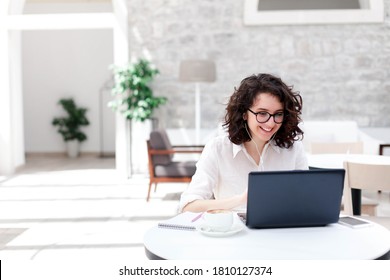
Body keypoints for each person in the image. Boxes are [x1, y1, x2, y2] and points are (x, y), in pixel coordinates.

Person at [179, 73, 308, 213]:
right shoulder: (218, 149)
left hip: (280, 232)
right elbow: (188, 206)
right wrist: (241, 200)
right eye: (262, 113)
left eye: (278, 114)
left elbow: (306, 200)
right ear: (244, 113)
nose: (271, 123)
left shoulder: (294, 149)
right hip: (234, 232)